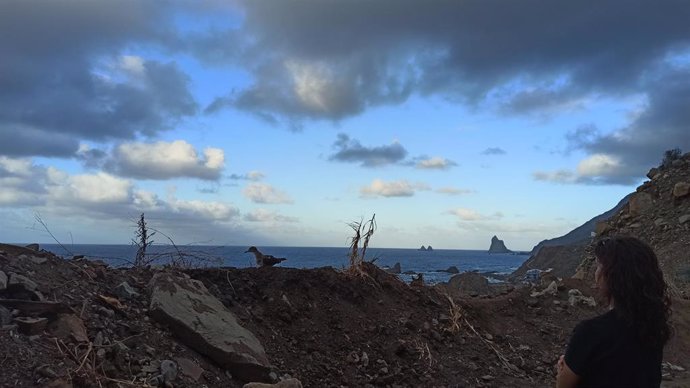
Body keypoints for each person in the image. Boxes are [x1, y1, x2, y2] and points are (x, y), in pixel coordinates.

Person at [556, 236, 672, 388]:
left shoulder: (590, 332)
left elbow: (563, 385)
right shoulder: (654, 327)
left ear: (613, 275)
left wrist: (562, 369)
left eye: (599, 266)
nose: (596, 273)